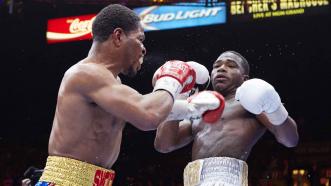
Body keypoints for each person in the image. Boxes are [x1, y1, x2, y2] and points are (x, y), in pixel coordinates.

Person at [36, 4, 208, 186]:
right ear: (118, 36)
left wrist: (191, 108)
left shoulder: (112, 83)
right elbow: (148, 116)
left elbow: (149, 112)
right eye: (140, 39)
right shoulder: (86, 73)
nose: (143, 49)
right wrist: (172, 79)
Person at [154, 51, 299, 186]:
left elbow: (290, 140)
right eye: (216, 66)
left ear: (245, 78)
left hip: (227, 180)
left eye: (231, 65)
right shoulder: (200, 106)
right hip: (193, 180)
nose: (221, 69)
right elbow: (164, 145)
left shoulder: (249, 103)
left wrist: (275, 109)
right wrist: (179, 94)